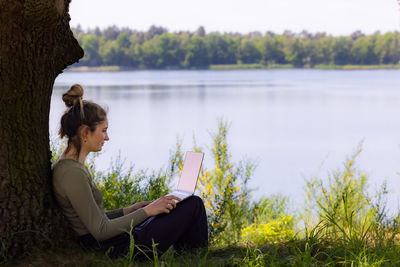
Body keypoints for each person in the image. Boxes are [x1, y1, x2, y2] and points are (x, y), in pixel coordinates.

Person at [52, 84, 208, 259]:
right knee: (193, 204)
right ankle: (194, 257)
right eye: (103, 131)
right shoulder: (71, 173)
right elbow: (100, 231)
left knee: (179, 205)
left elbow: (93, 218)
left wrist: (130, 210)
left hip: (116, 241)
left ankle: (189, 256)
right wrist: (148, 212)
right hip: (116, 248)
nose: (107, 137)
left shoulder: (72, 167)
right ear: (85, 132)